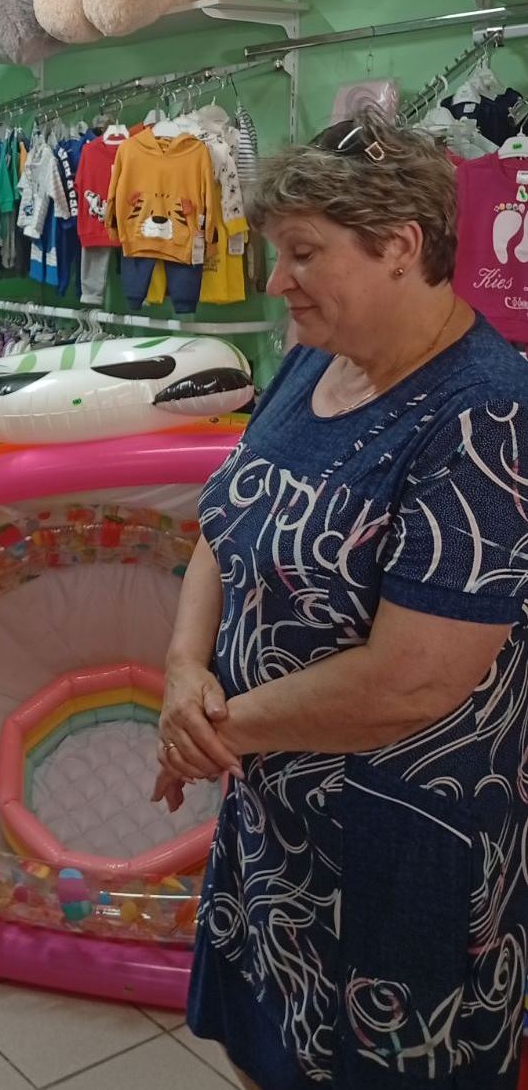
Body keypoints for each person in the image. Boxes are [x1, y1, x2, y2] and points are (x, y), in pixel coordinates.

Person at [154, 110, 528, 1090]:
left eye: (303, 252)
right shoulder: (314, 358)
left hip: (398, 843)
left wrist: (208, 729)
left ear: (399, 245)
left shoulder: (487, 413)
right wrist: (183, 670)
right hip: (271, 814)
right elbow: (224, 520)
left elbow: (411, 680)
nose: (276, 280)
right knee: (267, 1050)